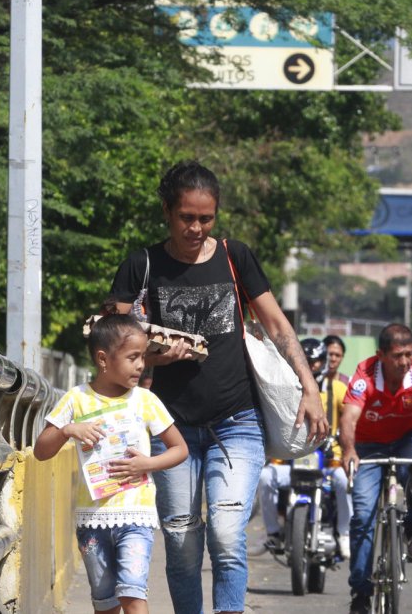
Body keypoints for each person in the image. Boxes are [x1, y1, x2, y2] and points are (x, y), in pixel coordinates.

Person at [108, 162, 328, 613]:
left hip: (237, 421)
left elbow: (276, 323)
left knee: (227, 535)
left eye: (206, 218)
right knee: (183, 543)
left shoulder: (235, 256)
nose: (196, 227)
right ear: (167, 211)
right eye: (186, 216)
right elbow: (110, 342)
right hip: (170, 429)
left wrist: (310, 387)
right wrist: (153, 356)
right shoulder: (142, 265)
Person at [35, 314, 190, 614]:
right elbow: (41, 451)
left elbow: (179, 449)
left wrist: (147, 464)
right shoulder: (76, 399)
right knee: (105, 605)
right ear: (103, 359)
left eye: (143, 356)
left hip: (137, 516)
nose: (142, 365)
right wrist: (68, 430)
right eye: (133, 357)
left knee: (133, 596)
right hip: (92, 520)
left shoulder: (145, 400)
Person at [339, 324, 412, 614]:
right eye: (397, 356)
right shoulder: (365, 375)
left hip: (407, 439)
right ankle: (360, 591)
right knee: (362, 518)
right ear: (380, 355)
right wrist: (349, 451)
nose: (404, 362)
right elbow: (348, 419)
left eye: (409, 354)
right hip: (368, 445)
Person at [256, 337, 353, 558]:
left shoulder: (337, 389)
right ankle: (272, 533)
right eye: (307, 361)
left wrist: (344, 443)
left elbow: (350, 417)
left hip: (328, 461)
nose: (312, 366)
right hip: (293, 460)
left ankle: (344, 534)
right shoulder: (288, 387)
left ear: (324, 362)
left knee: (343, 481)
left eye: (317, 361)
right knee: (266, 477)